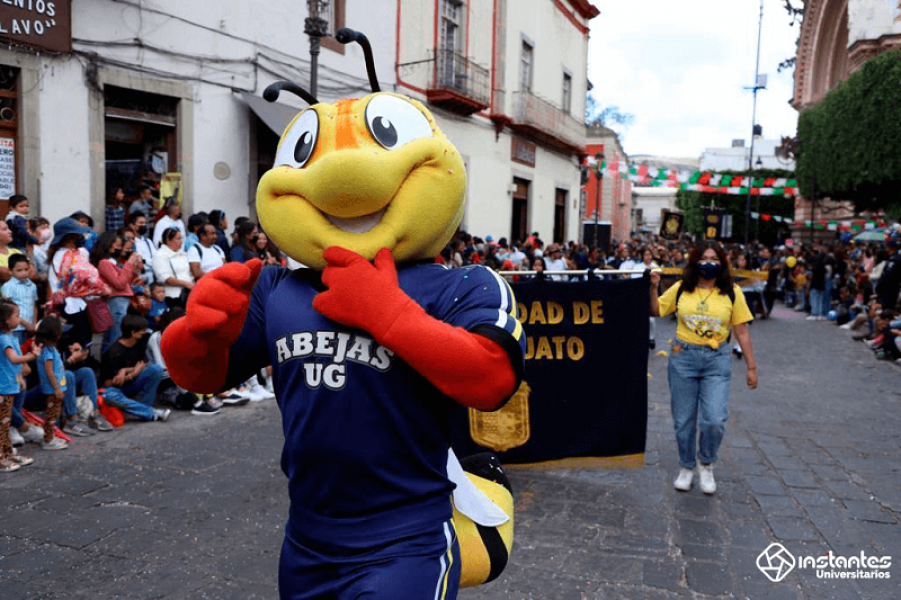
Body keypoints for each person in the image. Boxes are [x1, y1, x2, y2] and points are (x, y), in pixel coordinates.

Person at [649, 241, 758, 495]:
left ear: (722, 263)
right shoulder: (681, 288)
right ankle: (686, 466)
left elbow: (741, 330)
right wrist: (654, 287)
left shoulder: (732, 292)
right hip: (683, 358)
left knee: (714, 420)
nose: (709, 263)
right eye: (704, 258)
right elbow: (656, 310)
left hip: (716, 360)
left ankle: (706, 463)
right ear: (695, 261)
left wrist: (751, 366)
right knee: (683, 421)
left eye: (714, 259)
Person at [100, 314, 168, 422]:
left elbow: (142, 364)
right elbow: (108, 382)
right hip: (118, 388)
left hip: (134, 383)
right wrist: (132, 374)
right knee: (109, 395)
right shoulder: (113, 352)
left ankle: (145, 407)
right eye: (142, 330)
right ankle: (149, 412)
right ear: (133, 333)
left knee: (156, 370)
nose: (145, 332)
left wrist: (125, 370)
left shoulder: (140, 342)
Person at [0, 300, 39, 470]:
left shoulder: (11, 338)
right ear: (6, 320)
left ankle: (8, 454)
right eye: (16, 315)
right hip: (3, 388)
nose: (19, 318)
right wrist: (32, 356)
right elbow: (14, 359)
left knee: (6, 423)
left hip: (9, 387)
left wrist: (19, 378)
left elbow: (13, 366)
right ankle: (2, 458)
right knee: (3, 424)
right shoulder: (4, 340)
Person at [90, 232, 143, 354]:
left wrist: (134, 268)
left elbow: (126, 282)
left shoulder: (113, 262)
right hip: (116, 302)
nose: (121, 249)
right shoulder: (104, 263)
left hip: (122, 301)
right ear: (108, 246)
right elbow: (119, 284)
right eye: (118, 246)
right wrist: (129, 263)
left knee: (118, 336)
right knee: (114, 337)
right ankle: (108, 362)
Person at [34, 316, 73, 450]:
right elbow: (49, 371)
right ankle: (48, 440)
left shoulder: (50, 349)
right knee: (51, 415)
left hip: (55, 389)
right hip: (53, 390)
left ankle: (50, 436)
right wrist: (57, 389)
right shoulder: (47, 351)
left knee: (53, 414)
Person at [152, 228, 194, 308]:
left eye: (181, 238)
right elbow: (166, 278)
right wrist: (187, 284)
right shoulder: (159, 255)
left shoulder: (183, 254)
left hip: (189, 293)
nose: (181, 241)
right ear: (168, 240)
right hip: (172, 297)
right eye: (178, 239)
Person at [2, 255, 38, 346]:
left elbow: (34, 305)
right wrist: (26, 324)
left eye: (26, 269)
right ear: (10, 271)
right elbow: (8, 310)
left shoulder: (32, 286)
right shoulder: (8, 286)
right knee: (17, 351)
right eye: (19, 270)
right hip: (15, 329)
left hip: (30, 328)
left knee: (30, 351)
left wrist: (34, 324)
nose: (24, 273)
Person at [638, 247, 660, 349]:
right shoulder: (637, 267)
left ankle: (651, 337)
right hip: (640, 293)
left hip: (651, 294)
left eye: (649, 254)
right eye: (646, 255)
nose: (648, 257)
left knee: (651, 319)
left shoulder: (655, 266)